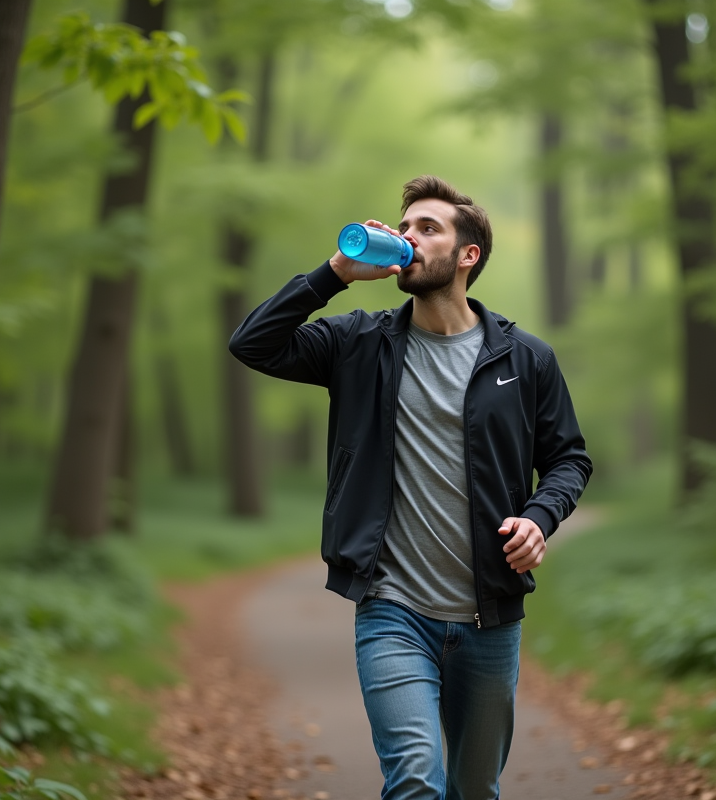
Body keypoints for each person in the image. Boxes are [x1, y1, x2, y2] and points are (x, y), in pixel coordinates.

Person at [229, 175, 592, 800]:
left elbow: (569, 459)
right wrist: (334, 274)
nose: (408, 238)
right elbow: (252, 343)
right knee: (416, 778)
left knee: (474, 790)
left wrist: (539, 517)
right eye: (404, 227)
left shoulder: (525, 359)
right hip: (391, 609)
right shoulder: (358, 342)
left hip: (489, 617)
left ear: (467, 254)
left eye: (428, 228)